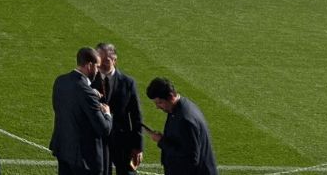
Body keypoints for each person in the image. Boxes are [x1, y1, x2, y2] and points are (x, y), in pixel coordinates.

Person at [50, 47, 112, 175]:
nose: (98, 71)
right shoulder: (86, 91)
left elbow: (62, 108)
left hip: (63, 149)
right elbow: (104, 128)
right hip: (84, 160)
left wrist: (91, 94)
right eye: (97, 66)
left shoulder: (60, 81)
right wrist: (107, 113)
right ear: (89, 65)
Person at [144, 77, 217, 175]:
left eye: (160, 102)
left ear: (170, 96)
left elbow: (190, 159)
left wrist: (162, 141)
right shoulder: (178, 108)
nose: (157, 107)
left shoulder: (185, 119)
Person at [94, 43, 143, 174]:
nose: (102, 64)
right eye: (100, 60)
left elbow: (136, 115)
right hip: (98, 140)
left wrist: (138, 146)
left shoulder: (128, 82)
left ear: (115, 60)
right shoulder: (89, 81)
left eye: (106, 61)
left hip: (122, 141)